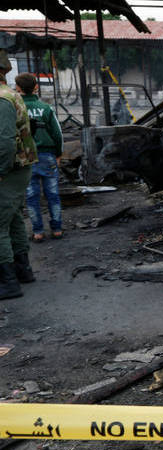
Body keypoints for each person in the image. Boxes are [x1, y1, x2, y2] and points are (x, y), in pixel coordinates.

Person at [0, 50, 38, 300]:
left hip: (10, 168)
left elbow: (4, 141)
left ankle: (7, 282)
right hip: (18, 166)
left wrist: (0, 170)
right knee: (12, 219)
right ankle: (22, 271)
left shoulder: (2, 99)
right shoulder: (9, 94)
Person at [15, 73, 62, 242]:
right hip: (47, 156)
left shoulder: (15, 109)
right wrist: (58, 153)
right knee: (53, 194)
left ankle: (38, 232)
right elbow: (57, 134)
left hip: (26, 157)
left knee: (31, 197)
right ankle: (57, 229)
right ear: (36, 87)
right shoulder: (46, 108)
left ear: (18, 88)